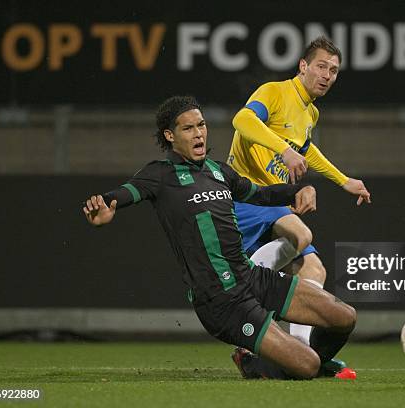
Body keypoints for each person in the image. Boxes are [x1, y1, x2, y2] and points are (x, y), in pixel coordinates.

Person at [82, 96, 357, 380]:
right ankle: (253, 363)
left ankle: (315, 362)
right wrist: (105, 204)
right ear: (169, 135)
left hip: (251, 278)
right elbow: (124, 194)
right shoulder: (159, 176)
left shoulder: (219, 171)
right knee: (306, 365)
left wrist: (297, 191)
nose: (199, 133)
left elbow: (260, 194)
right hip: (220, 301)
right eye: (188, 128)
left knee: (345, 317)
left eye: (201, 125)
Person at [227, 36, 371, 348]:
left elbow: (306, 150)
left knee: (314, 269)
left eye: (333, 71)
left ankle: (298, 351)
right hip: (245, 193)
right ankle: (244, 294)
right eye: (321, 66)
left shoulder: (310, 113)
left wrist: (343, 181)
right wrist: (283, 151)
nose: (327, 75)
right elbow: (242, 120)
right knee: (300, 236)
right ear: (303, 66)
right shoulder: (275, 91)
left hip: (273, 199)